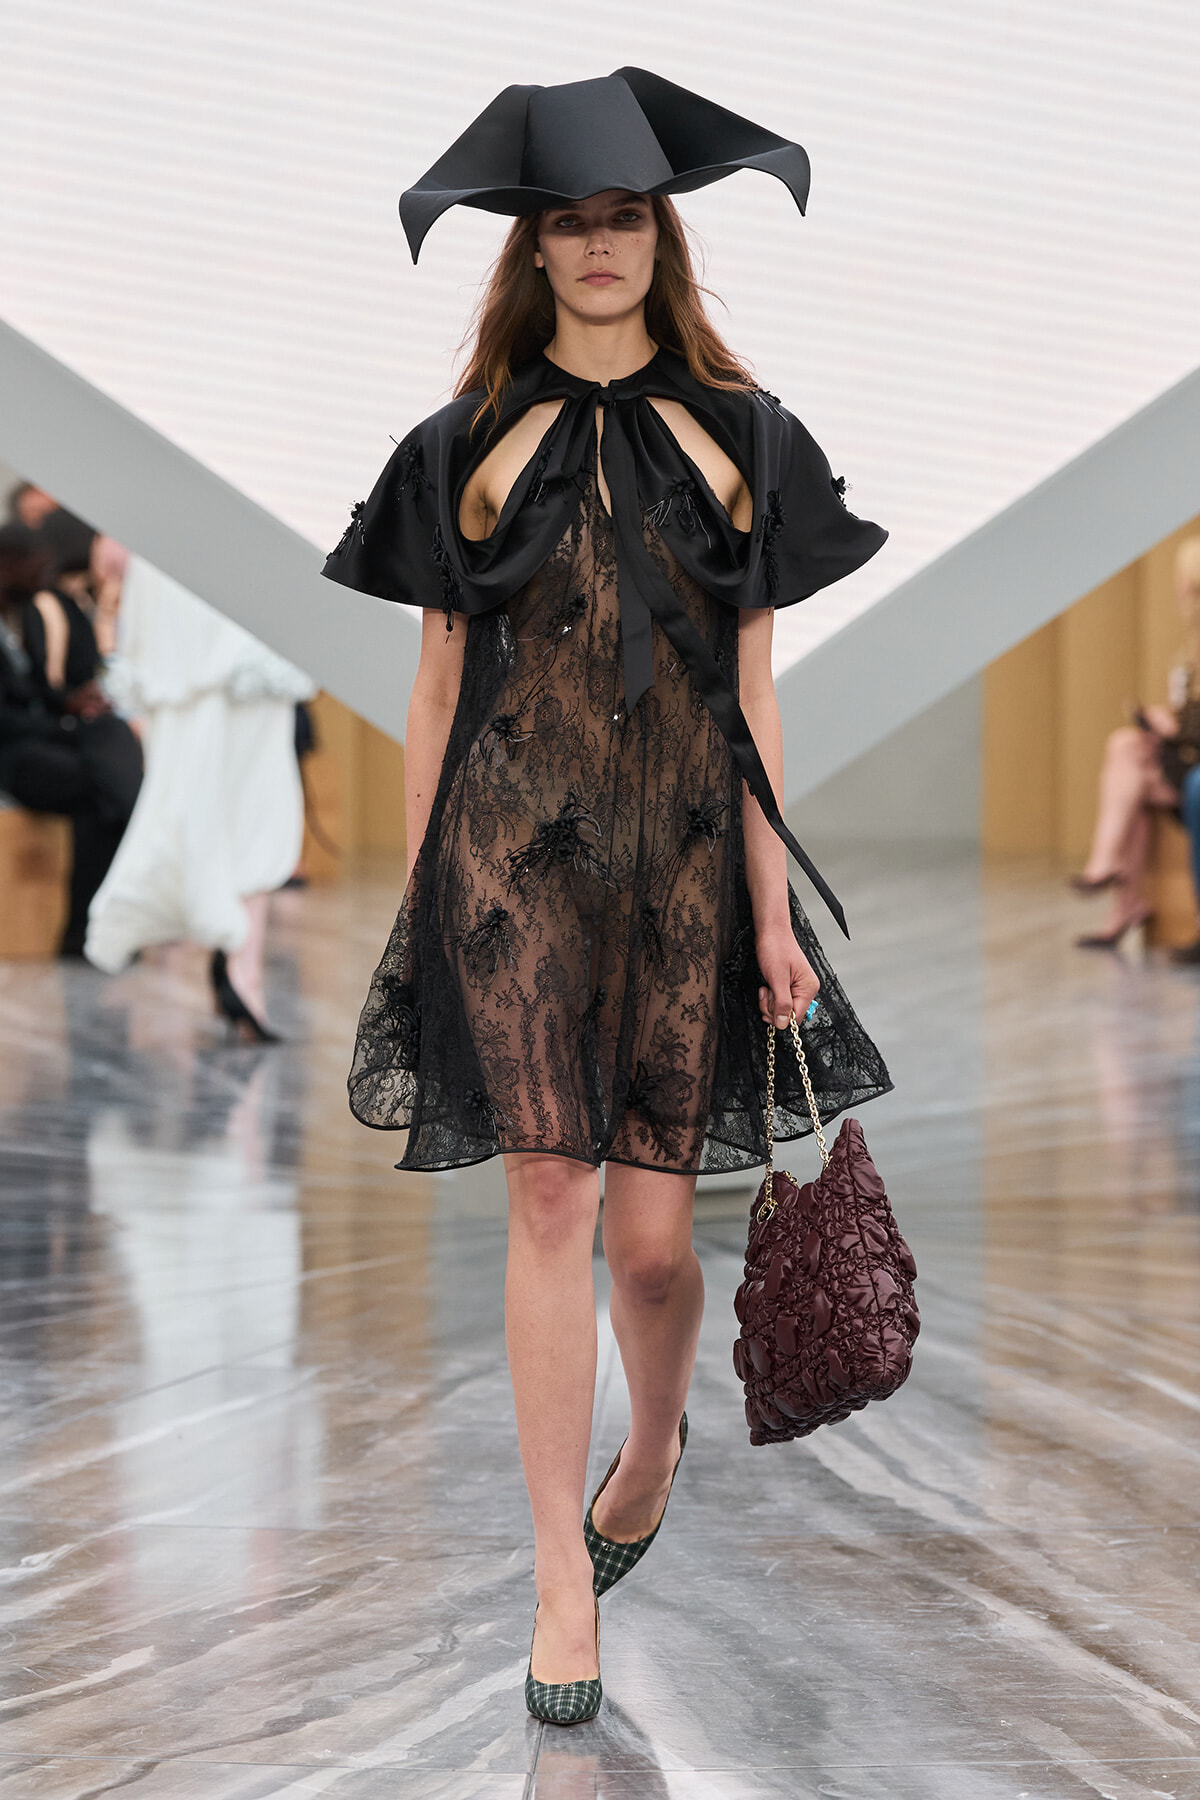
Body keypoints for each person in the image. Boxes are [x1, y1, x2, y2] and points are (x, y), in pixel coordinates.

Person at [324, 69, 892, 1724]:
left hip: (691, 870)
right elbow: (434, 695)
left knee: (654, 1250)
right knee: (553, 1207)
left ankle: (650, 1448)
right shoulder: (461, 448)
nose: (599, 247)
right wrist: (434, 893)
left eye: (624, 219)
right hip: (514, 863)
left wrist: (777, 912)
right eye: (569, 222)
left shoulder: (745, 436)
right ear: (531, 248)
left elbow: (756, 696)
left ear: (662, 237)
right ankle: (557, 1587)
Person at [85, 556, 316, 1040]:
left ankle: (239, 969)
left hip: (193, 675)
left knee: (215, 810)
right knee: (254, 812)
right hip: (242, 666)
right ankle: (241, 973)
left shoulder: (165, 526)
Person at [0, 522, 142, 955]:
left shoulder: (20, 617)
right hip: (12, 753)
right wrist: (60, 717)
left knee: (107, 756)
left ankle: (87, 928)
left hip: (35, 736)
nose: (43, 576)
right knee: (102, 792)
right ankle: (86, 928)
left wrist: (67, 705)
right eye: (33, 567)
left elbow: (33, 694)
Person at [1072, 535, 1200, 949]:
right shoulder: (1189, 647)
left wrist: (1175, 728)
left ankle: (1110, 875)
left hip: (1194, 765)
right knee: (1125, 746)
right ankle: (1118, 887)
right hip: (1187, 760)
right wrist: (1167, 723)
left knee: (1128, 757)